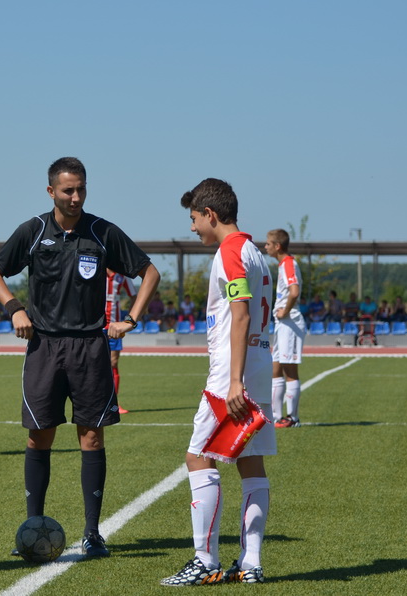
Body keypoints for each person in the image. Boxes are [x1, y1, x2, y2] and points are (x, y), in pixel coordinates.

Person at [0, 157, 160, 558]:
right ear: (51, 192)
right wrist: (14, 308)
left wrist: (130, 319)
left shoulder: (101, 232)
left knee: (91, 436)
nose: (76, 196)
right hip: (44, 347)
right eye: (68, 190)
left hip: (89, 348)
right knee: (39, 434)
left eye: (81, 188)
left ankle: (93, 532)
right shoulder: (33, 230)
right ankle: (33, 527)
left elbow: (149, 272)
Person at [161, 179, 274, 586]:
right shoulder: (256, 253)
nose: (192, 228)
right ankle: (250, 562)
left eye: (194, 218)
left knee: (197, 456)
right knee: (250, 463)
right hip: (259, 365)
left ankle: (205, 560)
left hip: (233, 372)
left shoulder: (230, 251)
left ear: (210, 214)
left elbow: (240, 314)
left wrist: (234, 381)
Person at [265, 229, 306, 429]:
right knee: (275, 368)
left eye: (268, 244)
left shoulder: (289, 263)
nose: (265, 247)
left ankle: (293, 418)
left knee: (289, 369)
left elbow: (294, 291)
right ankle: (274, 416)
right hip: (283, 324)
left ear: (277, 246)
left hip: (290, 322)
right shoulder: (283, 264)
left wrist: (285, 311)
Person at [105, 268, 137, 414]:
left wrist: (128, 320)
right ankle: (95, 402)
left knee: (113, 363)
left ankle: (114, 405)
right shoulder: (95, 271)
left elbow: (134, 297)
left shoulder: (122, 276)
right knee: (92, 363)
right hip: (94, 326)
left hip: (115, 327)